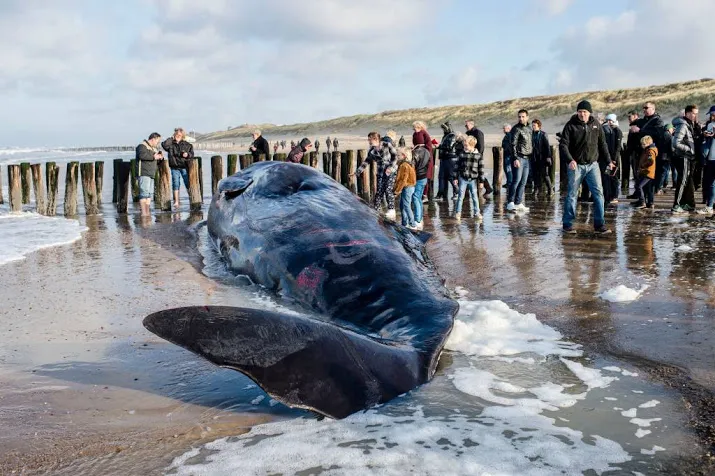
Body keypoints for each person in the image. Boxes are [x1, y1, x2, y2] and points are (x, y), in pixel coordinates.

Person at [560, 100, 614, 234]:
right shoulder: (570, 125)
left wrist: (608, 161)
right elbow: (563, 145)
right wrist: (570, 159)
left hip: (592, 165)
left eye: (584, 112)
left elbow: (602, 144)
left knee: (598, 194)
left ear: (589, 113)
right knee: (572, 195)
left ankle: (599, 224)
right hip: (576, 165)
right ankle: (567, 224)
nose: (582, 114)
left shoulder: (596, 124)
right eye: (580, 112)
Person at [353, 131, 398, 220]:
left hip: (391, 171)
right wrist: (356, 173)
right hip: (381, 172)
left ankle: (391, 210)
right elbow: (366, 162)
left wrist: (391, 167)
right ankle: (376, 209)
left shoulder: (387, 144)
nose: (369, 141)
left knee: (388, 190)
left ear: (375, 139)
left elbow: (395, 156)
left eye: (370, 139)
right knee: (379, 192)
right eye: (368, 139)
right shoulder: (372, 151)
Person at [671, 105, 699, 213]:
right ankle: (676, 205)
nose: (695, 115)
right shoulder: (683, 125)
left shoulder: (690, 124)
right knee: (682, 181)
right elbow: (675, 143)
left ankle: (688, 204)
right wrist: (689, 149)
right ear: (687, 113)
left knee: (688, 181)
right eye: (693, 113)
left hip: (689, 157)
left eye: (696, 113)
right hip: (684, 157)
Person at [507, 109, 533, 212]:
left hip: (527, 158)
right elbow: (513, 144)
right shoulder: (516, 129)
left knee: (523, 182)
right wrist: (515, 158)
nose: (521, 118)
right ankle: (510, 202)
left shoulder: (529, 128)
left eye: (523, 116)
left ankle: (518, 202)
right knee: (516, 180)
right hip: (519, 158)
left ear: (527, 117)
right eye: (519, 117)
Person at [161, 127, 194, 208]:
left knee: (188, 183)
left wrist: (187, 155)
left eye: (180, 134)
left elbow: (192, 154)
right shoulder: (170, 144)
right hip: (174, 167)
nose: (178, 136)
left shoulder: (187, 144)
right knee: (176, 184)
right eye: (176, 134)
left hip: (184, 167)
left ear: (183, 135)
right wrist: (171, 138)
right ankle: (176, 201)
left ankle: (191, 199)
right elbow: (164, 145)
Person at [453, 135, 483, 222]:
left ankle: (477, 212)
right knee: (460, 196)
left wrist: (481, 181)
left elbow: (481, 169)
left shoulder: (478, 155)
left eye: (466, 145)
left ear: (472, 145)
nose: (464, 147)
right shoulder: (462, 154)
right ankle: (458, 212)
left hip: (473, 179)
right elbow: (456, 167)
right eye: (464, 145)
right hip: (463, 178)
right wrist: (455, 178)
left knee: (474, 196)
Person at [136, 132, 163, 217]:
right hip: (144, 172)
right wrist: (154, 157)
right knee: (144, 193)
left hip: (151, 173)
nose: (158, 143)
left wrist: (160, 158)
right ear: (153, 139)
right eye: (157, 141)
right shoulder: (142, 146)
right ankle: (144, 213)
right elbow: (142, 155)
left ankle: (147, 212)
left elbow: (155, 159)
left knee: (149, 194)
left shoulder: (154, 148)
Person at [394, 147, 417, 229]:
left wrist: (397, 191)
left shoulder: (404, 165)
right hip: (409, 187)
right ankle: (404, 223)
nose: (397, 157)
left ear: (403, 156)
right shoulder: (409, 163)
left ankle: (412, 224)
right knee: (402, 205)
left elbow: (402, 180)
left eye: (398, 155)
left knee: (406, 205)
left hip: (408, 187)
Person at [632, 135, 657, 209]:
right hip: (646, 172)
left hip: (647, 172)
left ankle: (642, 201)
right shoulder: (647, 149)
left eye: (644, 144)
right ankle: (650, 202)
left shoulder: (650, 151)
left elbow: (650, 161)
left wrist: (643, 165)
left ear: (648, 143)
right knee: (648, 188)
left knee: (638, 186)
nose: (642, 146)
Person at [602, 114, 623, 204]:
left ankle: (614, 196)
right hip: (609, 158)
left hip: (614, 158)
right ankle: (608, 195)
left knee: (614, 177)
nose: (609, 122)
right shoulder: (609, 130)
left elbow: (618, 147)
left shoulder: (617, 131)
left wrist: (614, 159)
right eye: (608, 120)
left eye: (611, 120)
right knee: (608, 177)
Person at [437, 122, 459, 200]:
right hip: (444, 158)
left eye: (444, 128)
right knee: (441, 177)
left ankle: (457, 193)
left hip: (450, 159)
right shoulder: (445, 136)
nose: (443, 130)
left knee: (451, 177)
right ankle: (441, 194)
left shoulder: (452, 135)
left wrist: (439, 146)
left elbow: (449, 147)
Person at [699, 106, 715, 214]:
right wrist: (704, 134)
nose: (712, 116)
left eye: (713, 114)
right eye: (711, 115)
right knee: (711, 183)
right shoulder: (709, 124)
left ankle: (709, 206)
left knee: (712, 183)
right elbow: (707, 136)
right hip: (710, 157)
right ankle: (709, 206)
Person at [411, 121, 433, 199]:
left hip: (425, 155)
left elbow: (429, 145)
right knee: (418, 173)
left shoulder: (424, 133)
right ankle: (418, 193)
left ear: (419, 127)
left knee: (425, 174)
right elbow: (414, 144)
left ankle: (425, 194)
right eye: (414, 127)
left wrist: (421, 145)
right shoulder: (414, 134)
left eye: (416, 127)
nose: (414, 128)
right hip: (418, 155)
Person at [411, 143, 430, 230]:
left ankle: (418, 220)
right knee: (418, 197)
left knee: (415, 197)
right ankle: (420, 218)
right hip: (424, 176)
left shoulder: (416, 152)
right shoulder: (427, 151)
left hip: (418, 177)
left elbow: (413, 165)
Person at [531, 119, 552, 197]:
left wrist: (548, 157)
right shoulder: (531, 134)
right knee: (535, 174)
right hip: (534, 157)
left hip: (542, 157)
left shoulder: (543, 134)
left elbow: (547, 146)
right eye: (532, 125)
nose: (533, 127)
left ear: (539, 126)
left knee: (545, 174)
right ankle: (536, 190)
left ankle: (550, 189)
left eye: (534, 126)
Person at [656, 123, 676, 193]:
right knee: (663, 172)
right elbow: (671, 148)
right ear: (669, 129)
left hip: (659, 156)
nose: (673, 130)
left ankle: (658, 187)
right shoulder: (669, 136)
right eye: (672, 129)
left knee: (660, 172)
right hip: (666, 156)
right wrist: (673, 155)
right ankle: (659, 188)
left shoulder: (661, 135)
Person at [624, 110, 640, 196]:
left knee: (637, 174)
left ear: (635, 116)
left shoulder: (638, 125)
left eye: (629, 117)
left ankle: (638, 193)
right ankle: (637, 192)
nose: (628, 119)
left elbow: (635, 141)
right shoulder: (634, 126)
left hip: (637, 153)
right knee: (636, 174)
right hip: (634, 153)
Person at [502, 124, 513, 191]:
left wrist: (506, 150)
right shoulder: (507, 135)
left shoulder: (509, 135)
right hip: (506, 155)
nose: (503, 130)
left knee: (508, 169)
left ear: (509, 128)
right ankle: (508, 182)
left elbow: (510, 145)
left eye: (504, 128)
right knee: (507, 169)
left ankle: (509, 183)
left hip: (508, 155)